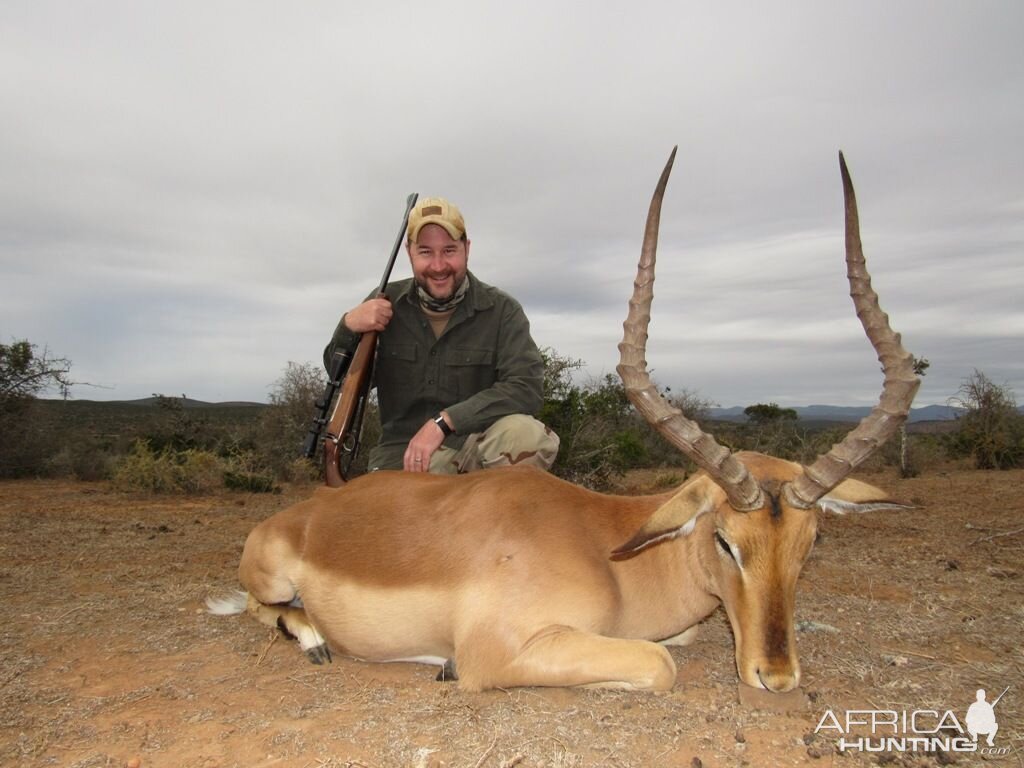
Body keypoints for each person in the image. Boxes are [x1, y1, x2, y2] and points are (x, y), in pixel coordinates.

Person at [324, 196, 559, 474]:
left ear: (466, 249)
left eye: (449, 250)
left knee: (525, 435)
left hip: (475, 457)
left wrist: (445, 422)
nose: (438, 266)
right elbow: (342, 379)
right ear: (409, 252)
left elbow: (526, 388)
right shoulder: (382, 304)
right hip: (401, 463)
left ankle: (494, 517)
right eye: (425, 252)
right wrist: (349, 326)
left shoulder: (503, 311)